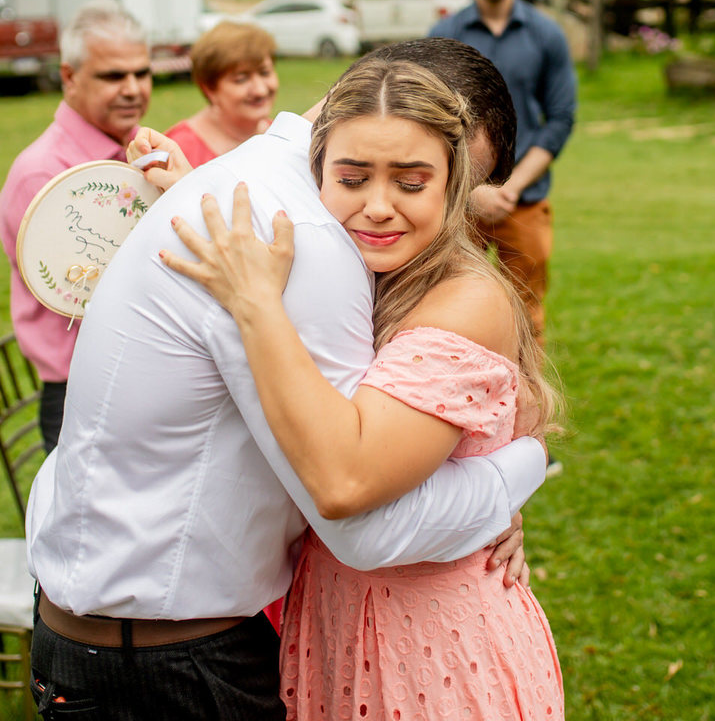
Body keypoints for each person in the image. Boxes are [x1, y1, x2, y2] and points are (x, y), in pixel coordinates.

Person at [26, 38, 543, 720]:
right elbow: (356, 510)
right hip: (171, 664)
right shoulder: (302, 239)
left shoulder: (252, 186)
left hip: (127, 635)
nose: (415, 215)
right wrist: (518, 471)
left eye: (428, 185)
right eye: (369, 172)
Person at [164, 57, 563, 720]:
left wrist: (510, 482)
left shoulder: (462, 299)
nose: (380, 205)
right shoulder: (359, 277)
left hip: (432, 646)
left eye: (416, 181)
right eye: (353, 176)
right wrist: (188, 196)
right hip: (337, 623)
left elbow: (348, 481)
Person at [0, 0, 150, 450]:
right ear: (69, 77)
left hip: (134, 381)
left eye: (141, 73)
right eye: (113, 75)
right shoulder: (44, 174)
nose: (132, 88)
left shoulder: (135, 151)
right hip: (80, 396)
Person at [431, 0, 577, 348]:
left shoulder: (546, 34)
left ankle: (525, 412)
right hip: (458, 203)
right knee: (449, 312)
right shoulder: (446, 35)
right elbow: (430, 122)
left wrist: (510, 186)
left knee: (526, 319)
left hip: (525, 201)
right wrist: (470, 189)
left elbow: (561, 119)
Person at [165, 21, 278, 166]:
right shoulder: (178, 150)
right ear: (209, 88)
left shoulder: (283, 135)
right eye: (241, 79)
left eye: (265, 73)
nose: (260, 90)